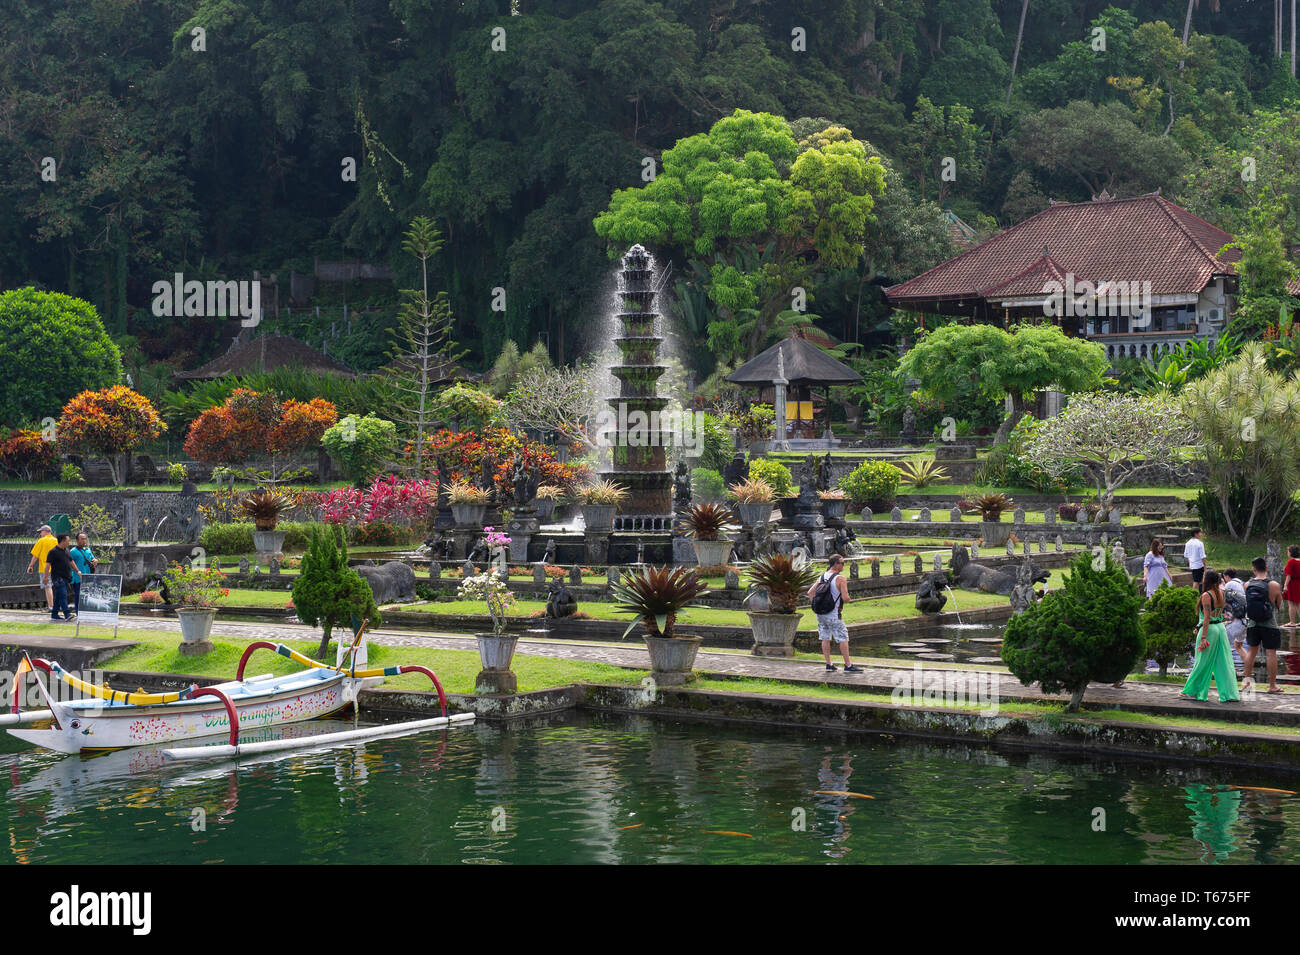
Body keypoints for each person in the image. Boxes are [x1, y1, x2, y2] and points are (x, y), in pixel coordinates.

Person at [1179, 570, 1239, 703]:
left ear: (1207, 580)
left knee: (1202, 662)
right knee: (1223, 662)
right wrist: (1198, 627)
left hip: (1210, 630)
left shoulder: (1207, 595)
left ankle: (1192, 690)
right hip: (1220, 629)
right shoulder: (1222, 593)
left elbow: (1206, 618)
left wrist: (1203, 637)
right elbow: (1220, 615)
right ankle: (1229, 693)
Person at [807, 554, 862, 673]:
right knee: (843, 637)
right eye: (842, 563)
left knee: (825, 637)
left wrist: (817, 606)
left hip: (820, 614)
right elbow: (846, 598)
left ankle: (829, 664)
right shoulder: (840, 578)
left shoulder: (822, 576)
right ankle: (847, 665)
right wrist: (847, 599)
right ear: (836, 564)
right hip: (833, 613)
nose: (843, 565)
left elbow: (810, 593)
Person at [1241, 557, 1284, 695]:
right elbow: (1279, 606)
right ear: (1266, 568)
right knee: (1271, 653)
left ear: (1254, 569)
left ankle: (1247, 684)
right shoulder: (1274, 585)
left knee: (1251, 653)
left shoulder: (1247, 585)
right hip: (1269, 624)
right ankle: (1272, 686)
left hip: (1252, 623)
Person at [25, 524, 56, 613]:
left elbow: (35, 556)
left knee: (48, 587)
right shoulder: (56, 540)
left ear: (46, 532)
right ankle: (56, 606)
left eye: (41, 532)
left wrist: (30, 565)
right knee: (56, 587)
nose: (40, 534)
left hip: (45, 568)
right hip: (56, 568)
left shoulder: (41, 541)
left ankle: (51, 607)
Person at [1222, 569, 1248, 674]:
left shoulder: (1229, 585)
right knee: (1238, 645)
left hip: (1238, 620)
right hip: (1246, 620)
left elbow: (1226, 602)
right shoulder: (1242, 583)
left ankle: (1228, 669)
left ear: (1226, 576)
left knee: (1223, 644)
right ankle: (1248, 669)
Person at [45, 533, 75, 622]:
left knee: (58, 596)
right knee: (63, 595)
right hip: (57, 578)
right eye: (68, 541)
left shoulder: (66, 550)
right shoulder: (53, 552)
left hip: (66, 577)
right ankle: (67, 614)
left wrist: (77, 571)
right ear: (63, 541)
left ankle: (54, 614)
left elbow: (71, 561)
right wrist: (46, 577)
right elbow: (47, 566)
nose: (69, 542)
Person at [68, 533, 98, 616]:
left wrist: (95, 560)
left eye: (85, 538)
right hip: (78, 577)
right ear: (77, 540)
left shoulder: (88, 550)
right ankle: (78, 613)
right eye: (82, 539)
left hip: (88, 576)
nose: (84, 540)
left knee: (88, 595)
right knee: (78, 596)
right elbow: (69, 562)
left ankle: (87, 611)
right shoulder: (73, 551)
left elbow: (92, 559)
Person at [1283, 545, 1300, 629]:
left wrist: (1285, 585)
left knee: (1291, 603)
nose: (1287, 553)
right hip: (1299, 583)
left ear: (1291, 553)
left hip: (1292, 584)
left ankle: (1292, 622)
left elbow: (1288, 575)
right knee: (1298, 604)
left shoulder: (1291, 562)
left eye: (1288, 551)